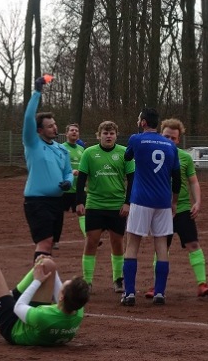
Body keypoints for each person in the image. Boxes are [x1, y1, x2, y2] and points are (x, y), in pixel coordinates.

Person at [0, 256, 89, 346]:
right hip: (35, 323)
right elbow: (60, 290)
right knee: (48, 265)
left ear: (62, 297)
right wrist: (46, 263)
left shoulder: (44, 317)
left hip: (14, 327)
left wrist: (37, 281)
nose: (62, 283)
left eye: (65, 284)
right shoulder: (78, 310)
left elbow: (18, 307)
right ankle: (7, 294)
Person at [144, 118, 208, 299]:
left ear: (178, 139)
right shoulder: (153, 155)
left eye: (173, 138)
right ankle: (157, 286)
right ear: (160, 135)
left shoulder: (185, 157)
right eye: (166, 136)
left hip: (182, 209)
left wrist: (197, 202)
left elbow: (193, 182)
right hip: (161, 210)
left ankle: (202, 284)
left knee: (193, 244)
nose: (170, 140)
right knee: (161, 249)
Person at [121, 108, 181, 306]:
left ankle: (129, 292)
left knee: (132, 244)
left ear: (144, 122)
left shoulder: (136, 139)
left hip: (141, 199)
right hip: (163, 201)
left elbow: (127, 158)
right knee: (161, 245)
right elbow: (177, 178)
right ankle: (160, 293)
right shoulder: (170, 145)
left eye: (140, 119)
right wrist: (173, 202)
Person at [76, 121, 133, 294]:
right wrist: (79, 202)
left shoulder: (125, 153)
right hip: (95, 204)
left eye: (112, 133)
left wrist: (127, 203)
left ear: (116, 135)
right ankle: (87, 281)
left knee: (117, 242)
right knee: (91, 241)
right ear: (99, 135)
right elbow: (81, 180)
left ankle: (118, 279)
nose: (108, 136)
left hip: (117, 206)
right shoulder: (89, 153)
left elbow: (132, 179)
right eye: (105, 133)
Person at [23, 76, 73, 259]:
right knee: (44, 243)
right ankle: (35, 285)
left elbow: (68, 171)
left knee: (50, 245)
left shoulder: (62, 150)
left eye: (54, 124)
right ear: (39, 131)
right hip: (37, 202)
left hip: (56, 203)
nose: (54, 128)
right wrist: (37, 92)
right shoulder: (32, 143)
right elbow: (28, 117)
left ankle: (40, 282)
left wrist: (69, 181)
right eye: (49, 126)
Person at [53, 123, 86, 249]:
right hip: (65, 189)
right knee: (58, 215)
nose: (74, 132)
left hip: (79, 189)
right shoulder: (60, 148)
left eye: (76, 131)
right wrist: (68, 173)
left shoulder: (82, 150)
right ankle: (55, 240)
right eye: (71, 130)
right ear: (66, 134)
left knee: (82, 213)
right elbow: (55, 166)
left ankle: (88, 237)